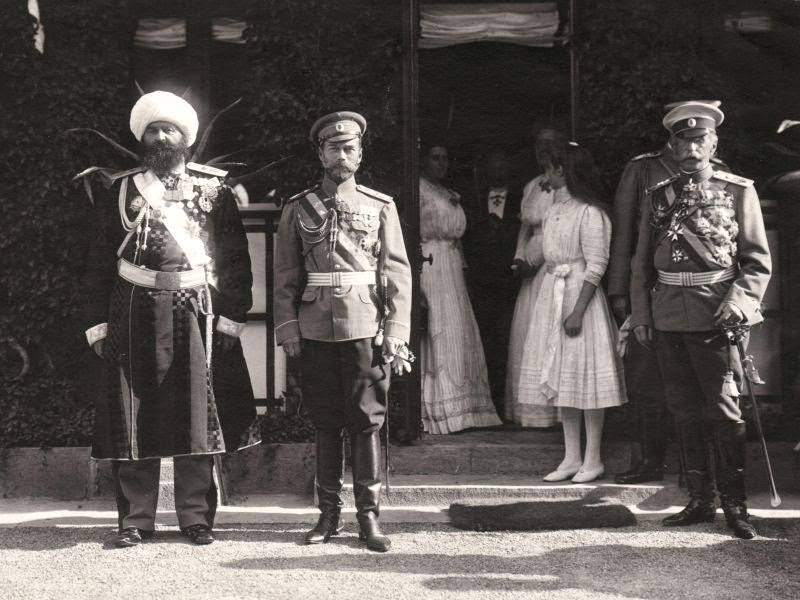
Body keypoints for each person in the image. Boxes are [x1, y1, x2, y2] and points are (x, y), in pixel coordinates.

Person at [82, 91, 260, 548]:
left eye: (170, 130)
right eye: (154, 130)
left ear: (186, 139)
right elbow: (98, 257)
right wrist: (96, 321)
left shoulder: (214, 189)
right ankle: (136, 520)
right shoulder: (120, 189)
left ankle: (195, 518)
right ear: (143, 137)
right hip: (132, 308)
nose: (162, 137)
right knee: (135, 414)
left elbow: (234, 258)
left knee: (196, 417)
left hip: (195, 310)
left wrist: (232, 317)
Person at [629, 102, 771, 539]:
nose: (691, 148)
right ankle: (700, 500)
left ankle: (736, 505)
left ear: (713, 143)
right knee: (684, 412)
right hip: (669, 316)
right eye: (682, 141)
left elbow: (756, 262)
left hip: (716, 316)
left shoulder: (737, 192)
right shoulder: (658, 195)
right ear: (671, 147)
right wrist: (641, 314)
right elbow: (641, 263)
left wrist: (740, 304)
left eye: (699, 140)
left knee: (725, 412)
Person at [274, 111, 412, 552]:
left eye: (349, 147)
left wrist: (396, 329)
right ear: (321, 153)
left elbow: (397, 273)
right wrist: (288, 326)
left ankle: (368, 517)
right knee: (325, 423)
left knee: (367, 422)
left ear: (360, 152)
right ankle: (327, 515)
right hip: (314, 328)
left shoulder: (380, 205)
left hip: (364, 326)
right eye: (333, 147)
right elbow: (285, 276)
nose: (342, 154)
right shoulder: (298, 207)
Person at [516, 143, 626, 483]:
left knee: (585, 378)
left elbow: (597, 264)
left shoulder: (591, 212)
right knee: (561, 376)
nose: (545, 175)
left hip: (580, 296)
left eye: (550, 169)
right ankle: (571, 456)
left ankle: (593, 458)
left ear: (563, 171)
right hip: (553, 293)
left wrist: (577, 311)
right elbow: (547, 253)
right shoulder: (553, 210)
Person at [419, 142, 502, 434]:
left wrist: (464, 270)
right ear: (424, 161)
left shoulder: (446, 191)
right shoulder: (419, 190)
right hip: (431, 264)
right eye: (436, 158)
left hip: (452, 266)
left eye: (445, 158)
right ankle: (442, 411)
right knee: (442, 331)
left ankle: (467, 411)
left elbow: (459, 241)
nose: (442, 163)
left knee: (461, 332)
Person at [505, 128, 566, 427]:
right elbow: (525, 229)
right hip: (530, 268)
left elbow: (557, 227)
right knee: (526, 333)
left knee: (546, 334)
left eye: (549, 144)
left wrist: (534, 260)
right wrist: (519, 258)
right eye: (539, 145)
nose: (543, 150)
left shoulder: (565, 185)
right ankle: (527, 410)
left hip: (550, 264)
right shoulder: (532, 185)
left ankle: (549, 412)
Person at [462, 148, 521, 414]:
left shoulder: (521, 200)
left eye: (502, 165)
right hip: (482, 283)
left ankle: (507, 402)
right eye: (492, 165)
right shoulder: (472, 200)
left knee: (509, 341)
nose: (497, 171)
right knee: (485, 343)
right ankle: (490, 403)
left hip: (511, 284)